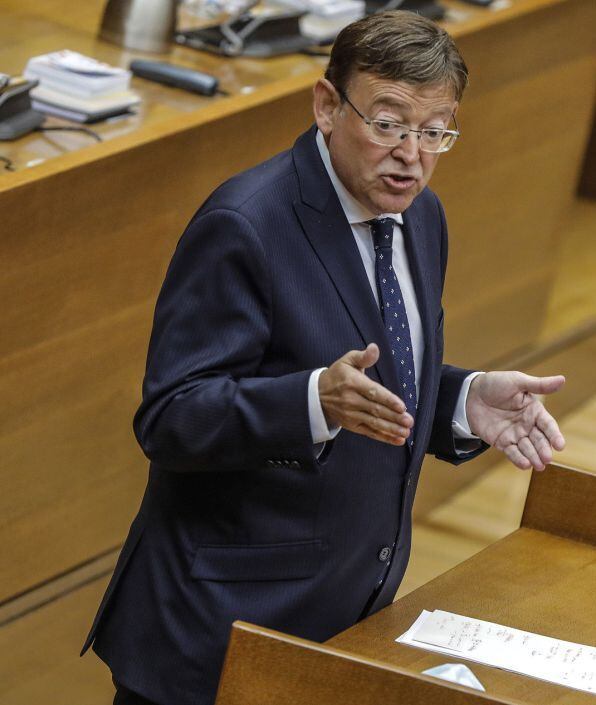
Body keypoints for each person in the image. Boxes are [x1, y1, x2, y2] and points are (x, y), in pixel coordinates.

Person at [81, 12, 566, 705]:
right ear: (327, 106)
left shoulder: (423, 217)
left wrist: (459, 399)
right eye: (389, 123)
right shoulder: (245, 225)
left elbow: (376, 372)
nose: (411, 154)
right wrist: (312, 400)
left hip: (342, 617)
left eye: (435, 132)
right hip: (219, 632)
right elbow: (171, 416)